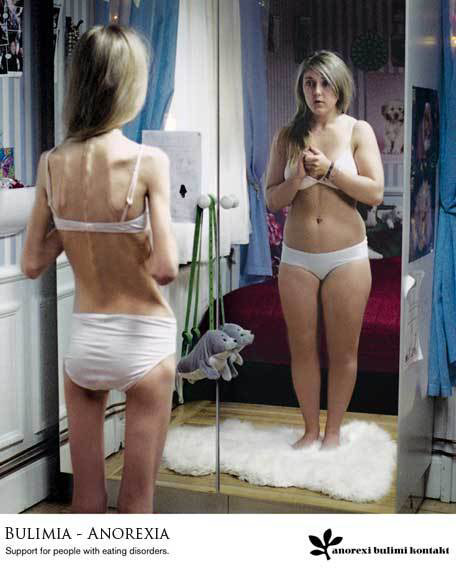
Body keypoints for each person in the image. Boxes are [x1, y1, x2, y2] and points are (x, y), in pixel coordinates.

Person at [21, 24, 178, 513]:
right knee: (136, 505)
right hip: (143, 341)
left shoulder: (52, 163)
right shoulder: (148, 161)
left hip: (86, 344)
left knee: (85, 503)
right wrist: (128, 233)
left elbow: (32, 262)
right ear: (130, 85)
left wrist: (77, 225)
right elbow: (166, 267)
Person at [265, 51, 384, 450]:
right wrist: (298, 176)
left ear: (339, 87)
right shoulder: (287, 136)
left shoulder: (357, 130)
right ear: (301, 88)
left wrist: (330, 171)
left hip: (346, 256)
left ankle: (332, 432)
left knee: (343, 350)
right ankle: (310, 430)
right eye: (309, 83)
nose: (317, 91)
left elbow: (375, 192)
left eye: (325, 83)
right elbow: (271, 199)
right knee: (301, 348)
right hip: (297, 257)